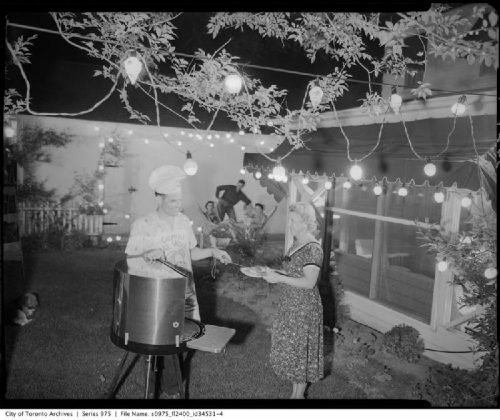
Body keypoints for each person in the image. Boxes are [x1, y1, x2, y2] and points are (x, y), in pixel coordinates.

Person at [125, 165, 232, 398]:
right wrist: (145, 253)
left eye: (179, 201)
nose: (178, 205)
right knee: (156, 343)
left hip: (183, 292)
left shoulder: (183, 222)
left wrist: (213, 251)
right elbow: (130, 259)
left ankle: (171, 387)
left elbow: (191, 252)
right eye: (173, 201)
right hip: (156, 293)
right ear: (159, 199)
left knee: (179, 340)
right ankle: (157, 387)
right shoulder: (143, 225)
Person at [262, 202, 324, 399]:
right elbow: (293, 272)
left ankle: (297, 396)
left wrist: (279, 278)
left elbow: (309, 282)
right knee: (291, 348)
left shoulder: (313, 249)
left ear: (306, 223)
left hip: (303, 307)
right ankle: (296, 394)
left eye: (294, 221)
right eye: (290, 220)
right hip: (290, 303)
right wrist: (273, 272)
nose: (290, 224)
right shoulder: (297, 243)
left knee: (299, 351)